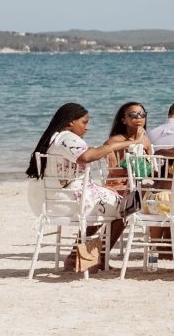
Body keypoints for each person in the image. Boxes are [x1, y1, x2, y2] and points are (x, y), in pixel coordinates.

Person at [28, 103, 132, 264]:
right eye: (84, 122)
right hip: (68, 202)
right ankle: (94, 259)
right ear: (71, 122)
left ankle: (76, 257)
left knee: (105, 203)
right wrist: (113, 147)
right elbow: (86, 157)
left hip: (49, 201)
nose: (87, 127)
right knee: (127, 207)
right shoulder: (67, 138)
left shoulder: (53, 138)